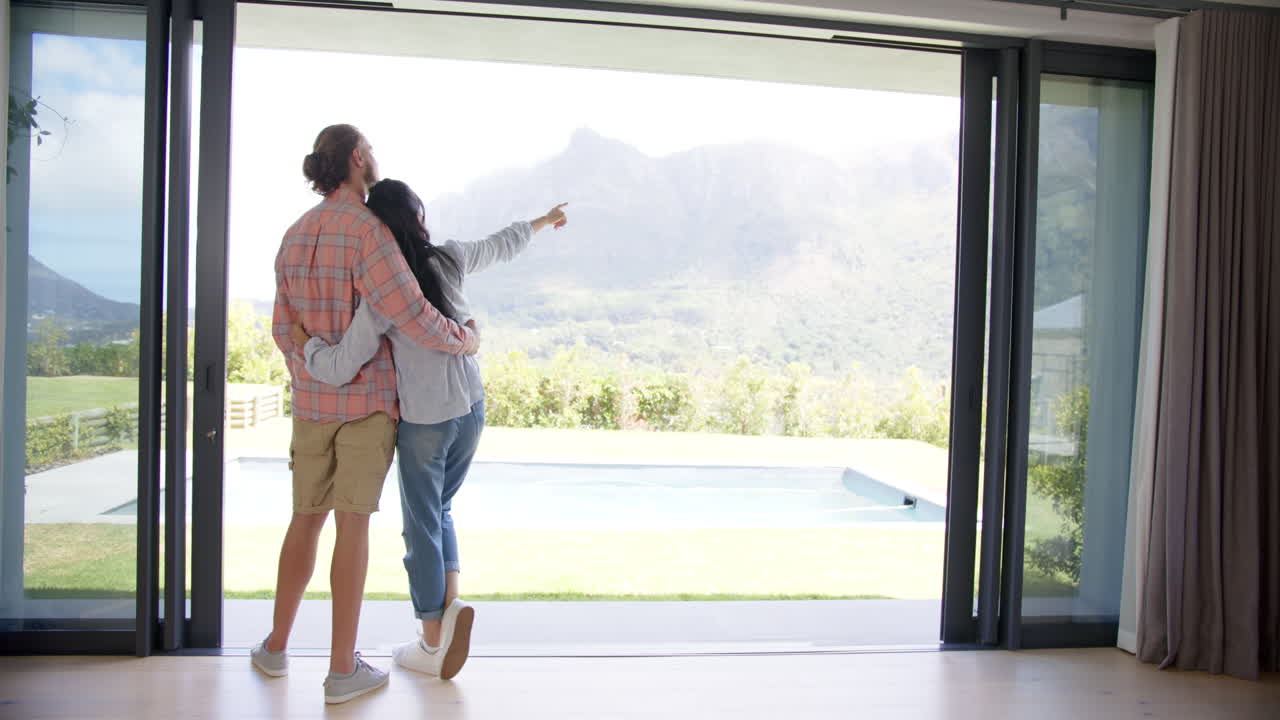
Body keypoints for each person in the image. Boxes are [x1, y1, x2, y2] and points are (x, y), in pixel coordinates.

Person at [291, 178, 567, 680]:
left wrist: (305, 344)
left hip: (425, 422)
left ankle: (432, 638)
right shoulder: (449, 258)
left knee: (422, 525)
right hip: (471, 411)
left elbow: (339, 365)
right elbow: (500, 243)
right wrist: (543, 222)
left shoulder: (382, 292)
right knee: (440, 509)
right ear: (418, 219)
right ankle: (452, 609)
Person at [252, 125, 480, 705]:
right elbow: (412, 312)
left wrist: (312, 362)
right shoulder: (370, 233)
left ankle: (275, 648)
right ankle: (340, 672)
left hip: (310, 405)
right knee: (351, 527)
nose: (375, 158)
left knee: (304, 519)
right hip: (365, 406)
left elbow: (284, 329)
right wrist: (465, 341)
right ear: (357, 158)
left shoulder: (293, 235)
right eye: (371, 150)